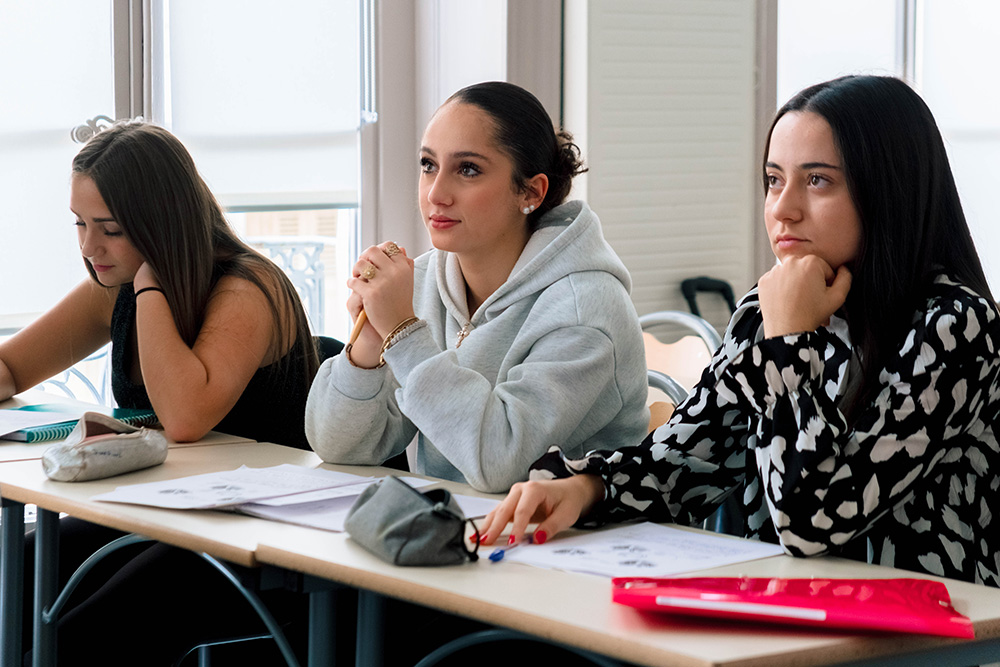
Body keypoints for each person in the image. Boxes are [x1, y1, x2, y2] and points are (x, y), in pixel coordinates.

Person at [479, 75, 1000, 588]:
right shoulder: (767, 309)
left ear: (889, 189)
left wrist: (790, 342)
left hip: (925, 634)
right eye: (774, 179)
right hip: (784, 618)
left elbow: (817, 520)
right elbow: (686, 458)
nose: (782, 208)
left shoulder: (956, 325)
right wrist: (585, 489)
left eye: (818, 180)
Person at [1, 121, 324, 665]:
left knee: (85, 635)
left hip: (257, 529)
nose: (88, 246)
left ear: (162, 223)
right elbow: (11, 366)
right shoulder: (114, 282)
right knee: (13, 575)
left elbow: (184, 420)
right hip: (165, 508)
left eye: (110, 228)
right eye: (80, 224)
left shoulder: (249, 286)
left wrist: (152, 284)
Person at [305, 81, 650, 493]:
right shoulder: (423, 283)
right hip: (450, 533)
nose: (436, 193)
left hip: (568, 546)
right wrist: (372, 339)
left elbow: (498, 462)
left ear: (531, 191)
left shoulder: (585, 310)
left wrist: (403, 333)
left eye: (467, 169)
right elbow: (339, 446)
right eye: (428, 164)